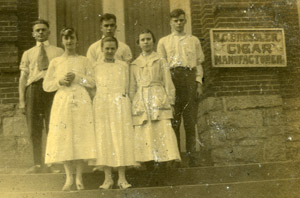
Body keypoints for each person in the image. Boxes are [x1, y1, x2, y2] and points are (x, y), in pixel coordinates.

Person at [43, 28, 96, 191]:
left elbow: (93, 82)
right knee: (64, 136)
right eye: (66, 38)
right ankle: (68, 177)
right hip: (63, 100)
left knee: (79, 135)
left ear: (77, 40)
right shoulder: (56, 62)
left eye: (72, 38)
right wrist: (60, 81)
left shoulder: (84, 60)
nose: (69, 41)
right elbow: (46, 85)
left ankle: (79, 176)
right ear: (62, 41)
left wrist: (78, 78)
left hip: (81, 100)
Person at [157, 9, 205, 166]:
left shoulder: (193, 40)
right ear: (170, 22)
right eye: (175, 21)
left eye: (181, 20)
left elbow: (198, 63)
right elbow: (162, 66)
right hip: (172, 79)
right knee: (174, 120)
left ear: (186, 21)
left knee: (190, 120)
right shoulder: (164, 41)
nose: (178, 23)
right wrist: (165, 87)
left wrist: (198, 83)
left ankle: (192, 156)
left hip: (189, 78)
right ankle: (176, 158)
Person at [129, 29, 181, 173]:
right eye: (143, 40)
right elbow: (132, 87)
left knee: (161, 128)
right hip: (141, 99)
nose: (146, 42)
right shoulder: (134, 64)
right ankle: (148, 162)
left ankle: (163, 163)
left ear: (153, 41)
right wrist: (132, 104)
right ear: (138, 43)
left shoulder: (160, 60)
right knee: (145, 130)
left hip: (158, 96)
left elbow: (168, 82)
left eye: (148, 39)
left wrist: (171, 102)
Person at [91, 36, 137, 190]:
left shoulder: (123, 65)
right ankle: (107, 178)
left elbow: (129, 86)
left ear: (116, 49)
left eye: (112, 48)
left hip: (120, 103)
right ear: (102, 49)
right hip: (102, 104)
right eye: (107, 48)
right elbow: (91, 86)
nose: (109, 51)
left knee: (120, 138)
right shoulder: (95, 66)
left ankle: (122, 178)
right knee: (105, 139)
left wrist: (128, 102)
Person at [18, 19, 64, 173]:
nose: (40, 32)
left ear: (49, 32)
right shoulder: (28, 53)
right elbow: (23, 78)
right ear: (33, 34)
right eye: (37, 30)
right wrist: (22, 101)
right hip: (34, 90)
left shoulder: (58, 52)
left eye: (43, 29)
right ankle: (37, 164)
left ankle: (52, 163)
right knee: (34, 128)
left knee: (53, 126)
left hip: (51, 91)